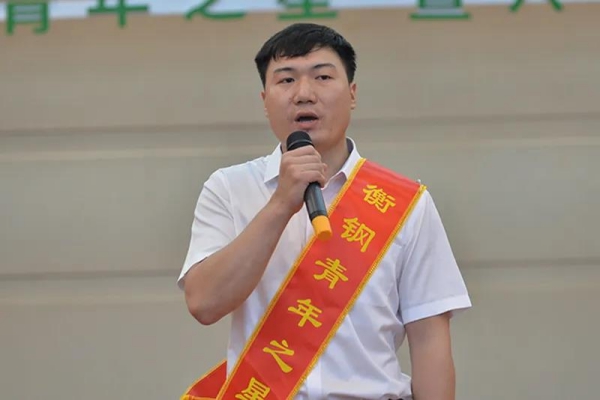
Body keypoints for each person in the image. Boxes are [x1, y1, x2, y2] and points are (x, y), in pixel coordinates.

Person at [178, 22, 471, 400]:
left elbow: (429, 338)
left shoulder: (406, 203)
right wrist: (280, 204)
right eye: (286, 80)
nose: (304, 94)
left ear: (352, 94)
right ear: (265, 100)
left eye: (322, 77)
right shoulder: (229, 188)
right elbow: (204, 303)